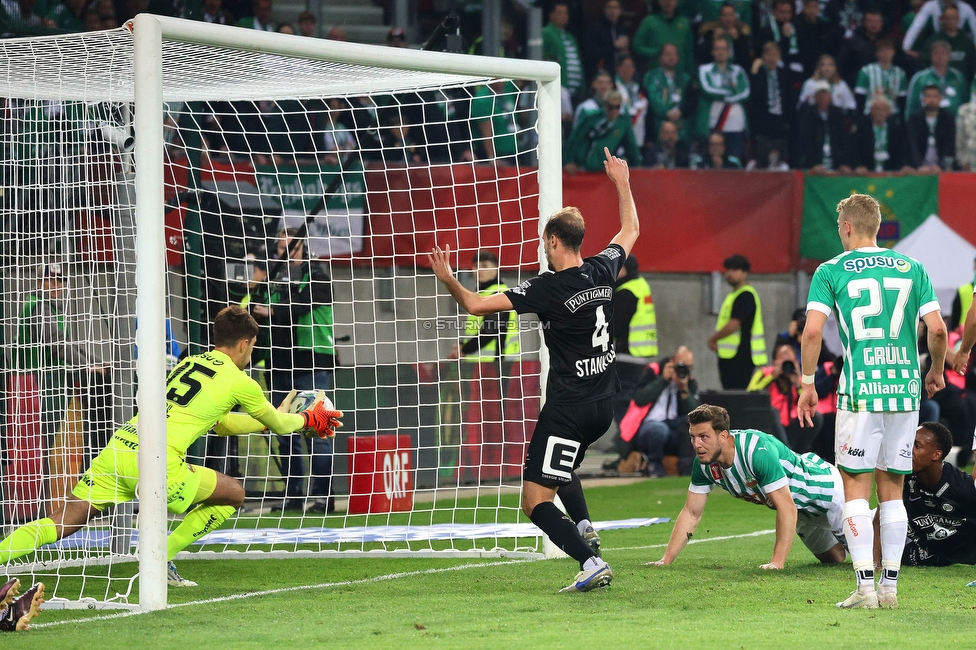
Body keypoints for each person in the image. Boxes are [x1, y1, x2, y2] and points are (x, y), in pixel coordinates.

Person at [0, 306, 343, 586]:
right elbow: (284, 426)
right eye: (251, 348)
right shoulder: (241, 381)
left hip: (120, 448)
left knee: (59, 523)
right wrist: (306, 419)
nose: (250, 354)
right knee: (234, 494)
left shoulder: (189, 363)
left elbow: (221, 424)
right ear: (244, 344)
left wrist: (277, 415)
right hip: (158, 461)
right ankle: (160, 556)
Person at [428, 146, 638, 592]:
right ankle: (583, 525)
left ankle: (589, 561)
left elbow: (476, 303)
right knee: (560, 467)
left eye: (545, 240)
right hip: (604, 405)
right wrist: (622, 183)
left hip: (568, 407)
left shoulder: (545, 288)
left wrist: (448, 278)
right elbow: (632, 227)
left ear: (554, 242)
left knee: (534, 499)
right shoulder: (603, 268)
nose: (543, 246)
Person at [798, 193, 947, 609]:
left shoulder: (830, 270)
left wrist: (807, 383)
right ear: (877, 227)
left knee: (855, 492)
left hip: (861, 390)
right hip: (904, 389)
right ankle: (890, 589)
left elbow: (812, 333)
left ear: (845, 227)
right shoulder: (912, 267)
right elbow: (937, 329)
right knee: (894, 491)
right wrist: (935, 371)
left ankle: (865, 587)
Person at [646, 404, 846, 569]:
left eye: (703, 437)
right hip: (802, 512)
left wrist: (776, 563)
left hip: (826, 492)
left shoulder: (755, 451)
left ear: (723, 436)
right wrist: (666, 560)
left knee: (873, 556)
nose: (696, 444)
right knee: (834, 560)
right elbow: (691, 512)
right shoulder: (704, 464)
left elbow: (786, 507)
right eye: (693, 437)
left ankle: (872, 520)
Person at [251, 228, 337, 514]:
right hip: (278, 364)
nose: (285, 253)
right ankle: (293, 495)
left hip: (310, 362)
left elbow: (306, 302)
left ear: (301, 248)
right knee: (283, 433)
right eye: (281, 248)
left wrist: (272, 311)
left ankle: (324, 497)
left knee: (316, 430)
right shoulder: (271, 277)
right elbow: (254, 310)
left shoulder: (317, 274)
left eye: (290, 247)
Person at [450, 251, 517, 483]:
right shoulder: (482, 294)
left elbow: (490, 331)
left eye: (486, 265)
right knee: (485, 422)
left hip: (496, 367)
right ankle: (488, 467)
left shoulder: (498, 293)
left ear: (496, 268)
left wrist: (463, 350)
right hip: (484, 367)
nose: (480, 269)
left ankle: (494, 468)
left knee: (491, 422)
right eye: (476, 265)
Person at [895, 422, 976, 569]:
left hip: (956, 553)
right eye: (909, 444)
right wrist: (876, 561)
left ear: (936, 454)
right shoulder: (902, 478)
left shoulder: (962, 488)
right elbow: (881, 517)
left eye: (917, 446)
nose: (909, 451)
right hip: (920, 545)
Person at [616, 346, 700, 477]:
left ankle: (687, 469)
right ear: (672, 361)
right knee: (658, 429)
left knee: (691, 426)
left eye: (688, 368)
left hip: (673, 425)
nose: (683, 371)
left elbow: (695, 413)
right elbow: (639, 399)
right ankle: (655, 466)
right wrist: (663, 380)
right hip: (648, 426)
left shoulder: (690, 382)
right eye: (681, 366)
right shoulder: (654, 372)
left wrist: (683, 390)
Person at [747, 343, 824, 452]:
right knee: (772, 411)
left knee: (815, 416)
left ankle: (796, 455)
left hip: (790, 427)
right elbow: (750, 395)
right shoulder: (764, 374)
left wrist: (797, 384)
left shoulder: (799, 380)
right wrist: (771, 377)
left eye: (790, 362)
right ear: (774, 362)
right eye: (782, 362)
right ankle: (787, 454)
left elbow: (811, 404)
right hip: (768, 427)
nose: (786, 366)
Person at [708, 254, 767, 390]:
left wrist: (713, 339)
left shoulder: (745, 295)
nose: (729, 273)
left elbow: (733, 325)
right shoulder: (734, 295)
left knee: (737, 396)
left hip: (740, 356)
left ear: (745, 273)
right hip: (731, 355)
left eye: (734, 270)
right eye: (727, 269)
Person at [611, 254, 658, 423]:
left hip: (627, 353)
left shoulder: (626, 292)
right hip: (640, 354)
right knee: (633, 401)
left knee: (622, 400)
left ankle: (626, 441)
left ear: (624, 269)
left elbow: (614, 325)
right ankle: (632, 441)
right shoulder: (641, 285)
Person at [696, 36, 750, 160]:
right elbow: (708, 90)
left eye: (724, 49)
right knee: (711, 162)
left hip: (736, 125)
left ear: (729, 52)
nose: (720, 52)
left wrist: (723, 96)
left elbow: (745, 93)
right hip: (713, 124)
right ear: (712, 52)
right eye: (717, 49)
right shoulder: (704, 70)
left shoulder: (738, 70)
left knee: (734, 162)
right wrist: (732, 92)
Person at [564, 90, 642, 173]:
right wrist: (568, 161)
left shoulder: (623, 124)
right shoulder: (591, 119)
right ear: (605, 105)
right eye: (611, 107)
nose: (614, 111)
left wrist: (636, 166)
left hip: (604, 170)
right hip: (582, 167)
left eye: (617, 107)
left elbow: (631, 146)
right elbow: (574, 139)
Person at [748, 41, 797, 161]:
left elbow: (789, 99)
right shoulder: (758, 73)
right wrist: (754, 71)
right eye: (769, 55)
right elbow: (753, 95)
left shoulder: (785, 74)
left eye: (775, 55)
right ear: (763, 57)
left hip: (780, 122)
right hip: (762, 122)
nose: (772, 59)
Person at [795, 80, 853, 173]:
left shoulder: (837, 113)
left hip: (835, 163)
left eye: (825, 94)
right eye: (819, 94)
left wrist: (844, 163)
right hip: (815, 164)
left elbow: (843, 139)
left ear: (830, 96)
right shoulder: (808, 114)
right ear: (815, 97)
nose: (822, 97)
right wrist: (814, 163)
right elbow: (805, 141)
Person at [643, 43, 692, 144]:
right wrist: (666, 112)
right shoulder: (651, 76)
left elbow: (690, 100)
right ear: (660, 57)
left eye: (674, 54)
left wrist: (681, 111)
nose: (671, 57)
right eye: (668, 54)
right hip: (658, 124)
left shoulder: (685, 78)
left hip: (681, 126)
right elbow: (653, 98)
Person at [632, 0, 695, 77]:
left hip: (680, 77)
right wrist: (657, 52)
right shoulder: (649, 21)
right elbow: (637, 46)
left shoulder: (684, 23)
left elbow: (689, 53)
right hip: (654, 77)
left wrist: (692, 76)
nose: (668, 2)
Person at [906, 40, 968, 116]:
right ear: (931, 56)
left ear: (949, 56)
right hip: (925, 125)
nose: (940, 56)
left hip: (954, 124)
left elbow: (965, 103)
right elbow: (911, 107)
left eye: (943, 53)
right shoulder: (919, 78)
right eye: (936, 53)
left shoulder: (958, 77)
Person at [919, 5, 976, 86]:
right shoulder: (933, 41)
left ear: (959, 19)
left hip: (962, 87)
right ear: (942, 19)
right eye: (948, 18)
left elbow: (973, 67)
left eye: (954, 18)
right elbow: (924, 65)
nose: (951, 21)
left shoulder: (967, 42)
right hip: (936, 88)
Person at [853, 96, 910, 173]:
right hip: (867, 170)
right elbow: (855, 150)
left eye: (883, 109)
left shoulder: (895, 129)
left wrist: (903, 166)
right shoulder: (862, 128)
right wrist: (858, 166)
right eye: (877, 109)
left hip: (890, 170)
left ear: (889, 112)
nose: (880, 112)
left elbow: (901, 151)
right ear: (871, 111)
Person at [907, 84, 957, 172]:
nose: (931, 100)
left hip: (940, 166)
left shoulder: (948, 118)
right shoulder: (915, 118)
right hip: (920, 166)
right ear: (923, 99)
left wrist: (942, 166)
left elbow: (950, 144)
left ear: (940, 98)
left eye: (935, 96)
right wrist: (918, 166)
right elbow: (912, 144)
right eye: (928, 96)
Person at [542, 2, 585, 103]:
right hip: (557, 89)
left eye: (565, 13)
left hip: (575, 91)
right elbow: (543, 57)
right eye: (560, 13)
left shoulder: (571, 37)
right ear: (551, 15)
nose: (563, 16)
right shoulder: (546, 32)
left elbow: (578, 63)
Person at [854, 39, 908, 116]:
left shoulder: (900, 73)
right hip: (870, 113)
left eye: (889, 50)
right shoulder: (866, 71)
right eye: (882, 51)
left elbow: (902, 99)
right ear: (877, 53)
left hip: (892, 115)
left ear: (894, 52)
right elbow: (860, 97)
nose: (886, 53)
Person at [583, 0, 630, 83]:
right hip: (601, 76)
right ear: (604, 10)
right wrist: (614, 46)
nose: (612, 11)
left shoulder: (622, 30)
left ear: (620, 10)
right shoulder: (595, 28)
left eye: (615, 8)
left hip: (619, 77)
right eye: (609, 8)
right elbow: (591, 53)